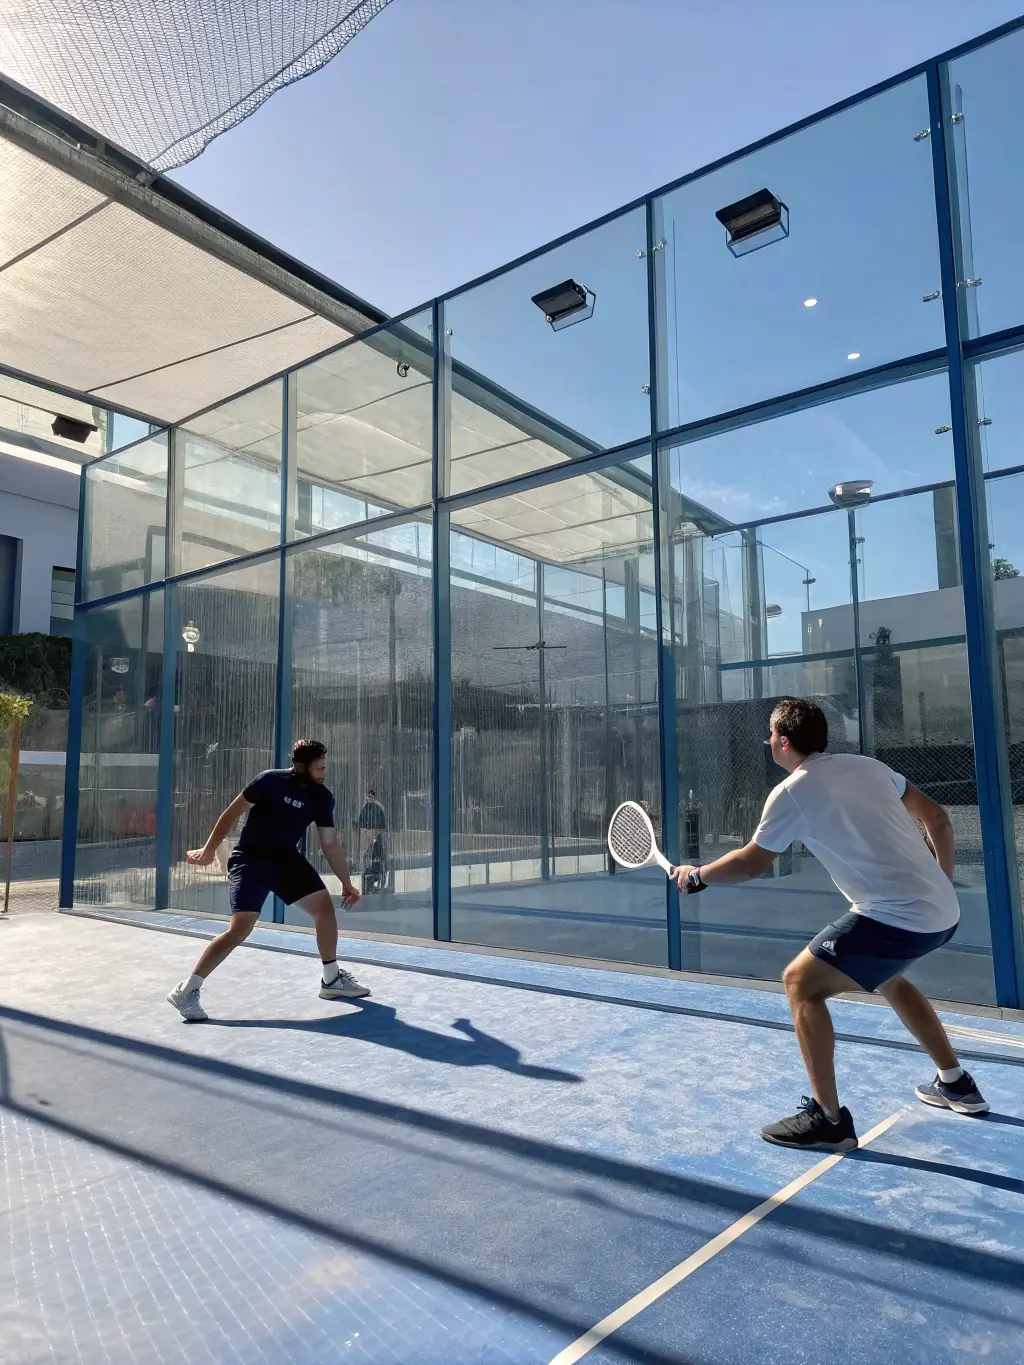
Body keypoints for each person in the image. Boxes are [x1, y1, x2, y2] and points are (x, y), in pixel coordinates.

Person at [671, 697, 988, 1153]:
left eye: (770, 736)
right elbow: (936, 817)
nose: (768, 743)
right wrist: (941, 880)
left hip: (895, 917)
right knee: (891, 979)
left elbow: (751, 864)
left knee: (800, 982)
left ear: (783, 741)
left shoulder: (792, 791)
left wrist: (697, 875)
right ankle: (955, 1083)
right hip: (943, 912)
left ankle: (829, 1119)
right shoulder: (870, 767)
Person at [167, 739, 370, 1021]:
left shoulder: (322, 797)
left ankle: (331, 979)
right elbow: (231, 813)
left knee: (324, 909)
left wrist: (347, 883)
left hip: (286, 860)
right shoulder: (269, 781)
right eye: (319, 768)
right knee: (239, 930)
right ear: (300, 766)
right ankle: (186, 991)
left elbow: (330, 843)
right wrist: (210, 849)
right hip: (250, 860)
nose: (324, 773)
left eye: (325, 767)